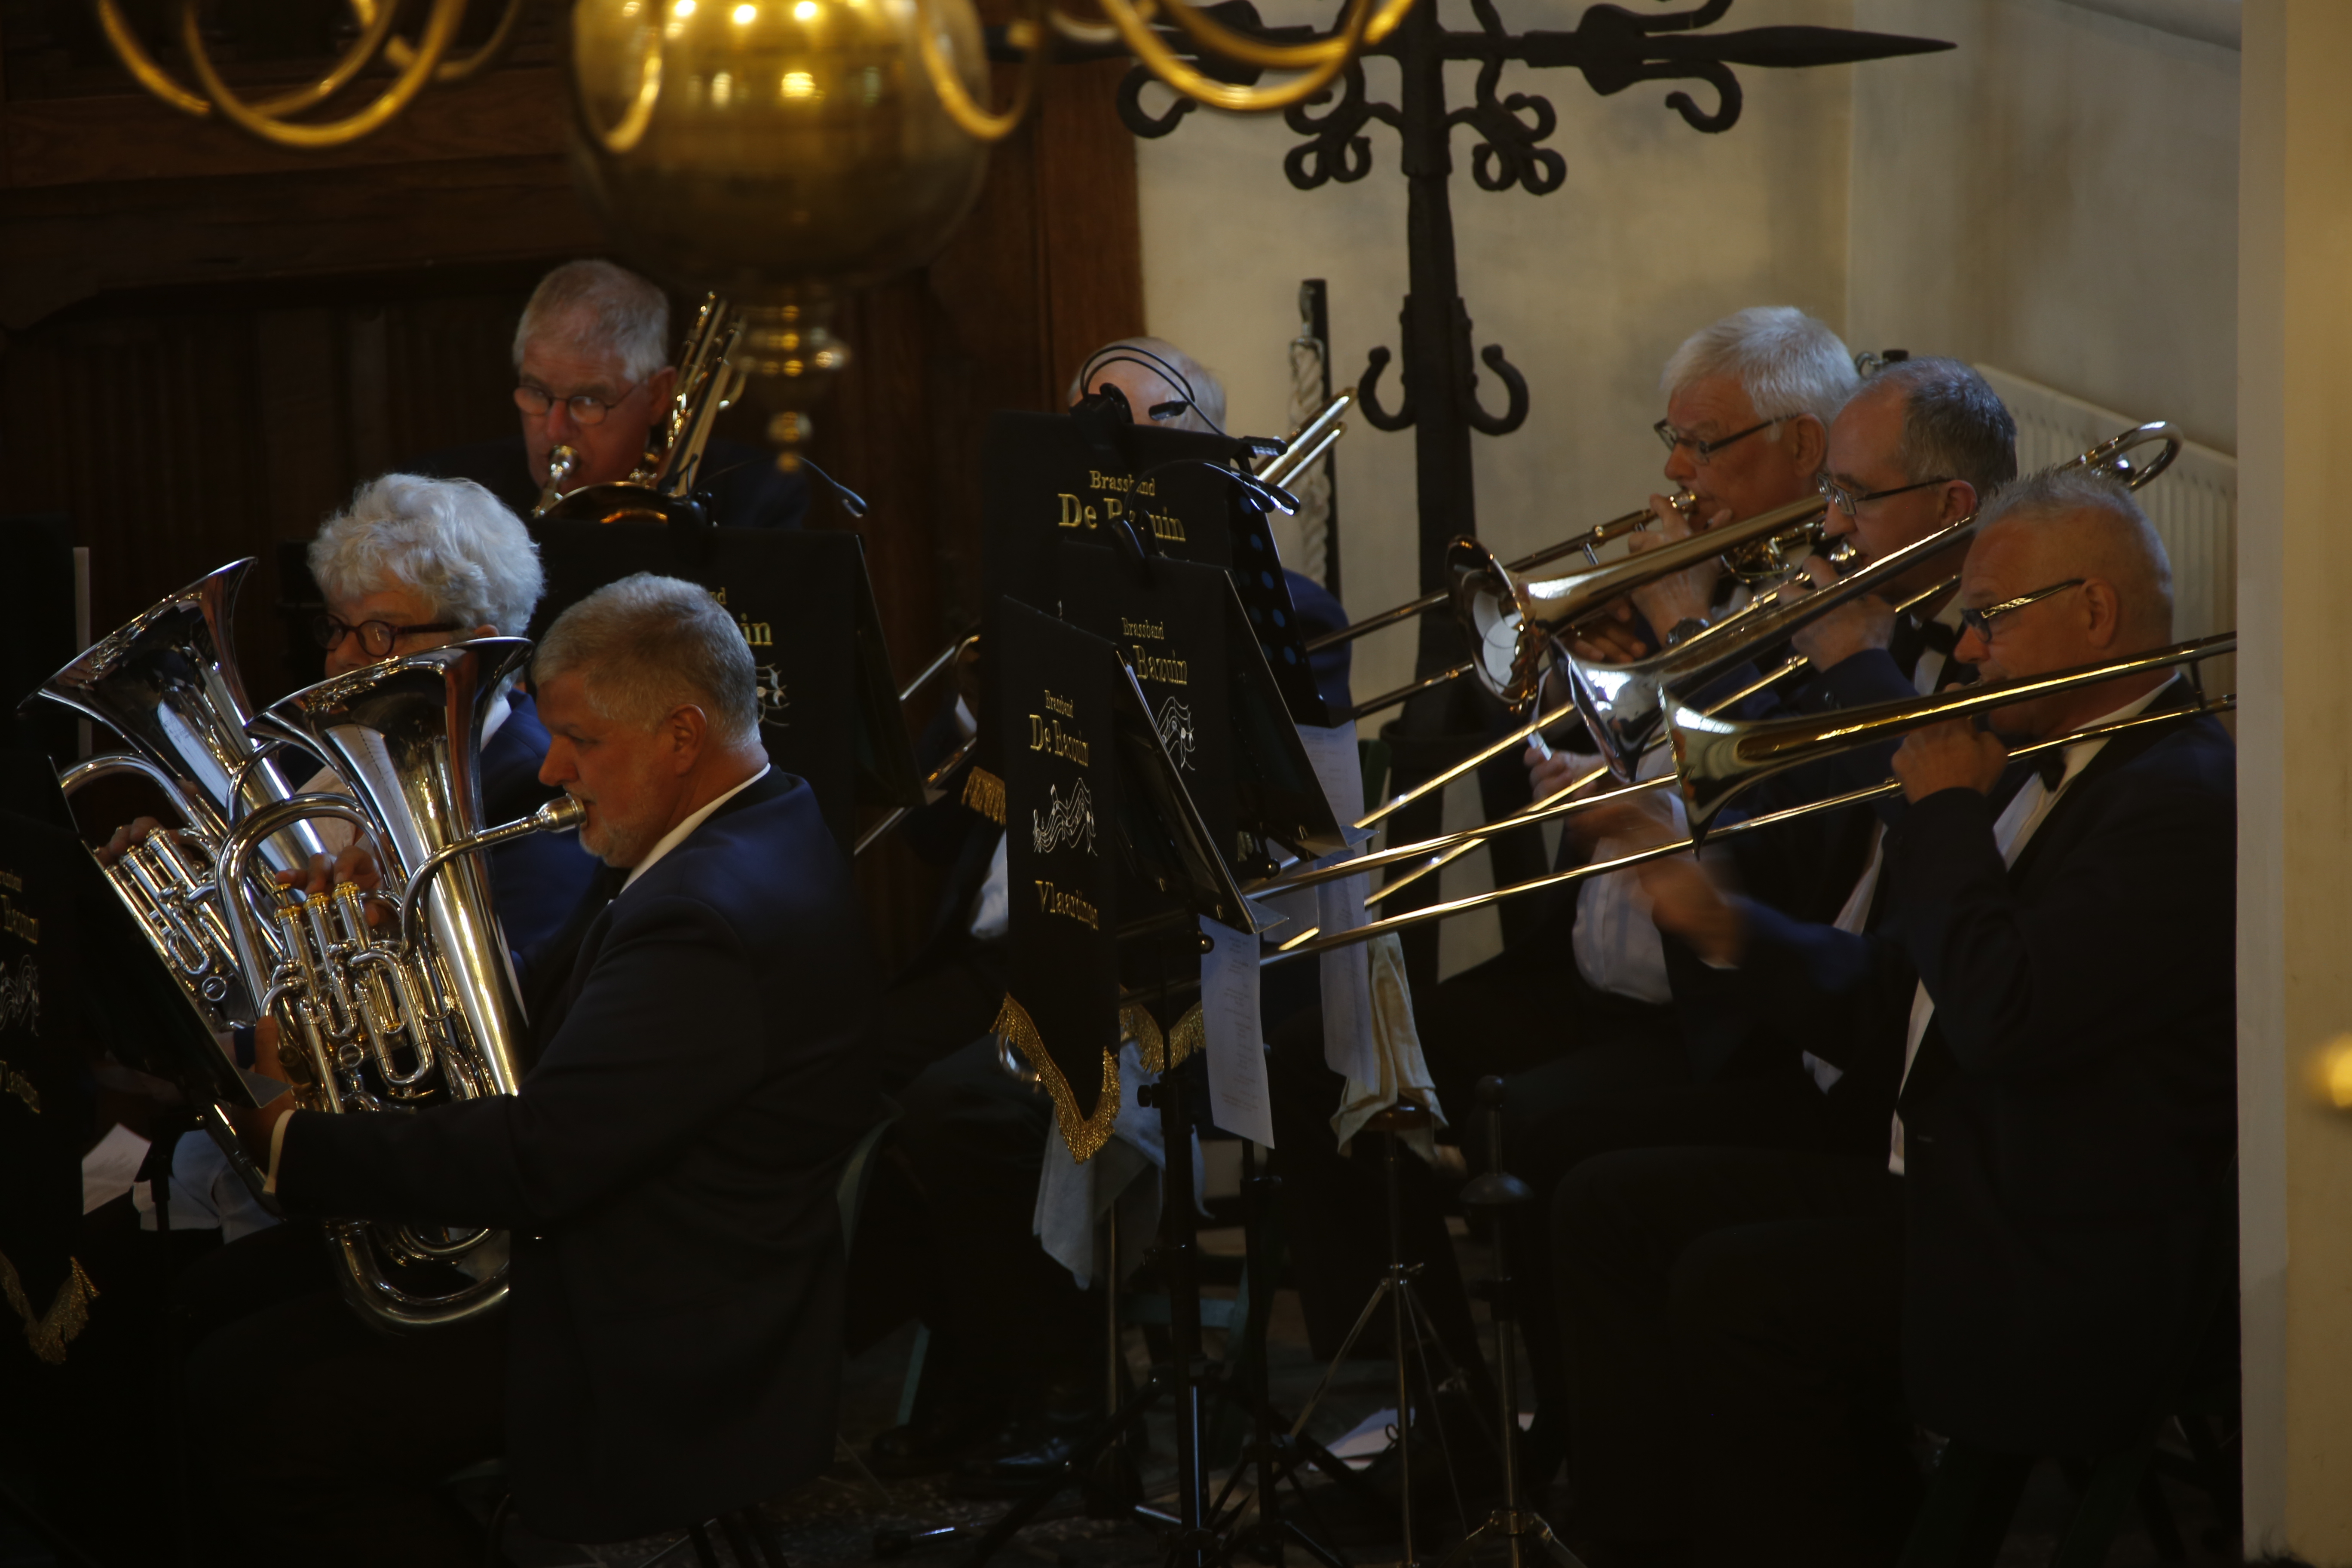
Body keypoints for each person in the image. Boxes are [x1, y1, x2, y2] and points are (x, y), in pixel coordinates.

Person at [1554, 469, 2234, 1566]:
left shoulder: (2180, 799)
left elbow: (1999, 1016)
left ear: (2095, 614)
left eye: (1990, 618)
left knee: (1738, 1293)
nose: (1965, 648)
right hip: (1961, 1174)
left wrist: (1948, 816)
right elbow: (1911, 998)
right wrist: (1723, 925)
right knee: (1611, 1206)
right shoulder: (2034, 756)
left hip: (2057, 1249)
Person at [187, 573, 878, 1562]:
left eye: (581, 741)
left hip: (646, 1330)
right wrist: (390, 951)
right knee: (208, 1307)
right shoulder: (756, 820)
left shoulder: (702, 913)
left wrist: (292, 1139)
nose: (552, 770)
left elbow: (540, 1158)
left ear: (683, 736)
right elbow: (576, 1043)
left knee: (258, 1412)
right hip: (636, 1253)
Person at [1262, 306, 1858, 1382]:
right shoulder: (1700, 578)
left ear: (1803, 447)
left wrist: (1681, 634)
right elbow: (1617, 751)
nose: (1673, 470)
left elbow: (1774, 841)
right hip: (1584, 970)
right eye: (1671, 438)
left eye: (1702, 443)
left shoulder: (1838, 616)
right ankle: (1430, 1404)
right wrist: (1574, 707)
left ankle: (1570, 1431)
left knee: (1533, 1133)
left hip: (1710, 1016)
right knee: (1320, 1055)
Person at [848, 338, 1352, 1490]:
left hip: (1169, 953)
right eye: (1092, 421)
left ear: (1206, 444)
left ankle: (1065, 1393)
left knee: (966, 1108)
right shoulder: (1030, 589)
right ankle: (976, 1363)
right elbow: (935, 836)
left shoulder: (1284, 606)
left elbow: (1290, 810)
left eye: (1152, 418)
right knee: (838, 1071)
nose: (1118, 442)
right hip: (1016, 936)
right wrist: (978, 712)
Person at [103, 474, 601, 1251]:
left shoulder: (531, 791)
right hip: (260, 1167)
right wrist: (166, 913)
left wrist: (372, 950)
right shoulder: (327, 770)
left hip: (410, 1196)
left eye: (378, 633)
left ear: (475, 641)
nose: (339, 658)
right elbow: (253, 983)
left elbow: (515, 1039)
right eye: (336, 627)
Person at [410, 259, 808, 530]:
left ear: (657, 395)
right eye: (537, 393)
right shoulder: (447, 499)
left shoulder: (755, 497)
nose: (555, 430)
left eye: (588, 401)